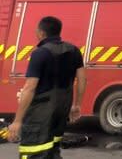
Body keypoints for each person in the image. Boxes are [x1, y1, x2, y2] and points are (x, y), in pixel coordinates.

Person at [8, 16, 86, 159]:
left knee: (32, 152)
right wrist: (77, 105)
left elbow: (30, 88)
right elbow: (82, 79)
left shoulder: (40, 53)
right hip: (62, 109)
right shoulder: (74, 51)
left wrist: (17, 120)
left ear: (42, 33)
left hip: (40, 114)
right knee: (52, 151)